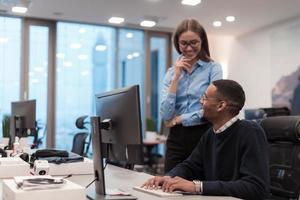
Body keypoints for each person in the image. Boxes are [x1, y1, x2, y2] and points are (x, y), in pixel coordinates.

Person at [144, 79, 270, 200]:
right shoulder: (210, 134)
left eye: (204, 98)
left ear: (221, 106)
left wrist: (197, 187)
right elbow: (190, 166)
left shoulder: (250, 132)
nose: (201, 102)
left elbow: (255, 187)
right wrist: (167, 177)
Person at [161, 18, 222, 173]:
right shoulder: (170, 73)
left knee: (200, 187)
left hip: (204, 133)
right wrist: (176, 77)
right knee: (169, 184)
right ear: (177, 43)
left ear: (202, 41)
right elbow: (166, 114)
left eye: (193, 42)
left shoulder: (213, 69)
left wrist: (180, 118)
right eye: (183, 43)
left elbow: (212, 107)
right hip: (176, 137)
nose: (188, 48)